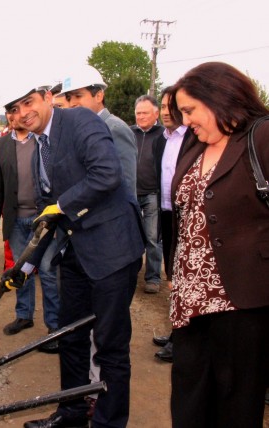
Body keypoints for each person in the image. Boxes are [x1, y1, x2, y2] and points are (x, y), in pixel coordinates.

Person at [0, 83, 144, 428]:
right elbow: (48, 217)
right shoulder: (38, 144)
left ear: (48, 97)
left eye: (28, 103)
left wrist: (61, 205)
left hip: (112, 251)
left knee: (110, 344)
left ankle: (108, 423)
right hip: (76, 251)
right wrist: (27, 264)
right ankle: (72, 412)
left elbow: (107, 174)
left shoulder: (80, 120)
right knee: (70, 335)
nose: (23, 114)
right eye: (14, 110)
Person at [166, 62, 269, 428]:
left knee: (236, 406)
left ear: (220, 97)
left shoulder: (262, 138)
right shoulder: (194, 144)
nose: (186, 120)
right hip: (190, 303)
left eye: (190, 110)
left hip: (241, 304)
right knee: (189, 404)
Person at [0, 111, 60, 351]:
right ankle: (24, 316)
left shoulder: (43, 140)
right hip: (15, 218)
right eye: (9, 114)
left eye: (17, 112)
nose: (13, 117)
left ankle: (54, 326)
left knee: (48, 271)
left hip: (44, 220)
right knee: (20, 270)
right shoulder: (4, 143)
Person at [150, 86, 192, 364]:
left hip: (186, 216)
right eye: (163, 107)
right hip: (167, 213)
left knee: (185, 279)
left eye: (171, 107)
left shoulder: (193, 138)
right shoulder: (162, 140)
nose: (166, 112)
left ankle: (183, 341)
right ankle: (177, 331)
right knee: (172, 276)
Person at [61, 65, 137, 195]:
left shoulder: (115, 129)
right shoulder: (76, 130)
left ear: (98, 96)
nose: (72, 103)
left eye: (78, 96)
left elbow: (127, 184)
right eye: (68, 98)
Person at [131, 95, 165, 294]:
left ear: (156, 114)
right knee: (131, 236)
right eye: (138, 113)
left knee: (153, 238)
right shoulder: (129, 133)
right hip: (131, 194)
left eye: (145, 113)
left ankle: (152, 278)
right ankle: (130, 274)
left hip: (153, 193)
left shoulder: (163, 134)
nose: (141, 117)